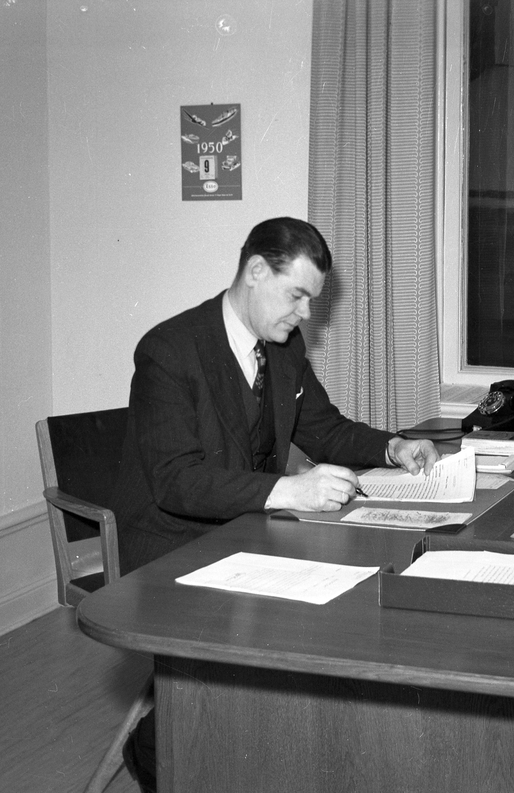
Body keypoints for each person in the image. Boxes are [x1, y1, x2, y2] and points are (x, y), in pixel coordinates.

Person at [109, 216, 439, 792]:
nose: (305, 314)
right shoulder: (170, 350)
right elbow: (176, 482)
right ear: (256, 271)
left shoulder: (282, 350)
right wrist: (288, 490)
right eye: (297, 296)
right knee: (296, 633)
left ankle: (290, 758)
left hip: (245, 535)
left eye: (312, 300)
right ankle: (163, 750)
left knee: (349, 603)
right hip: (170, 548)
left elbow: (325, 430)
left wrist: (392, 446)